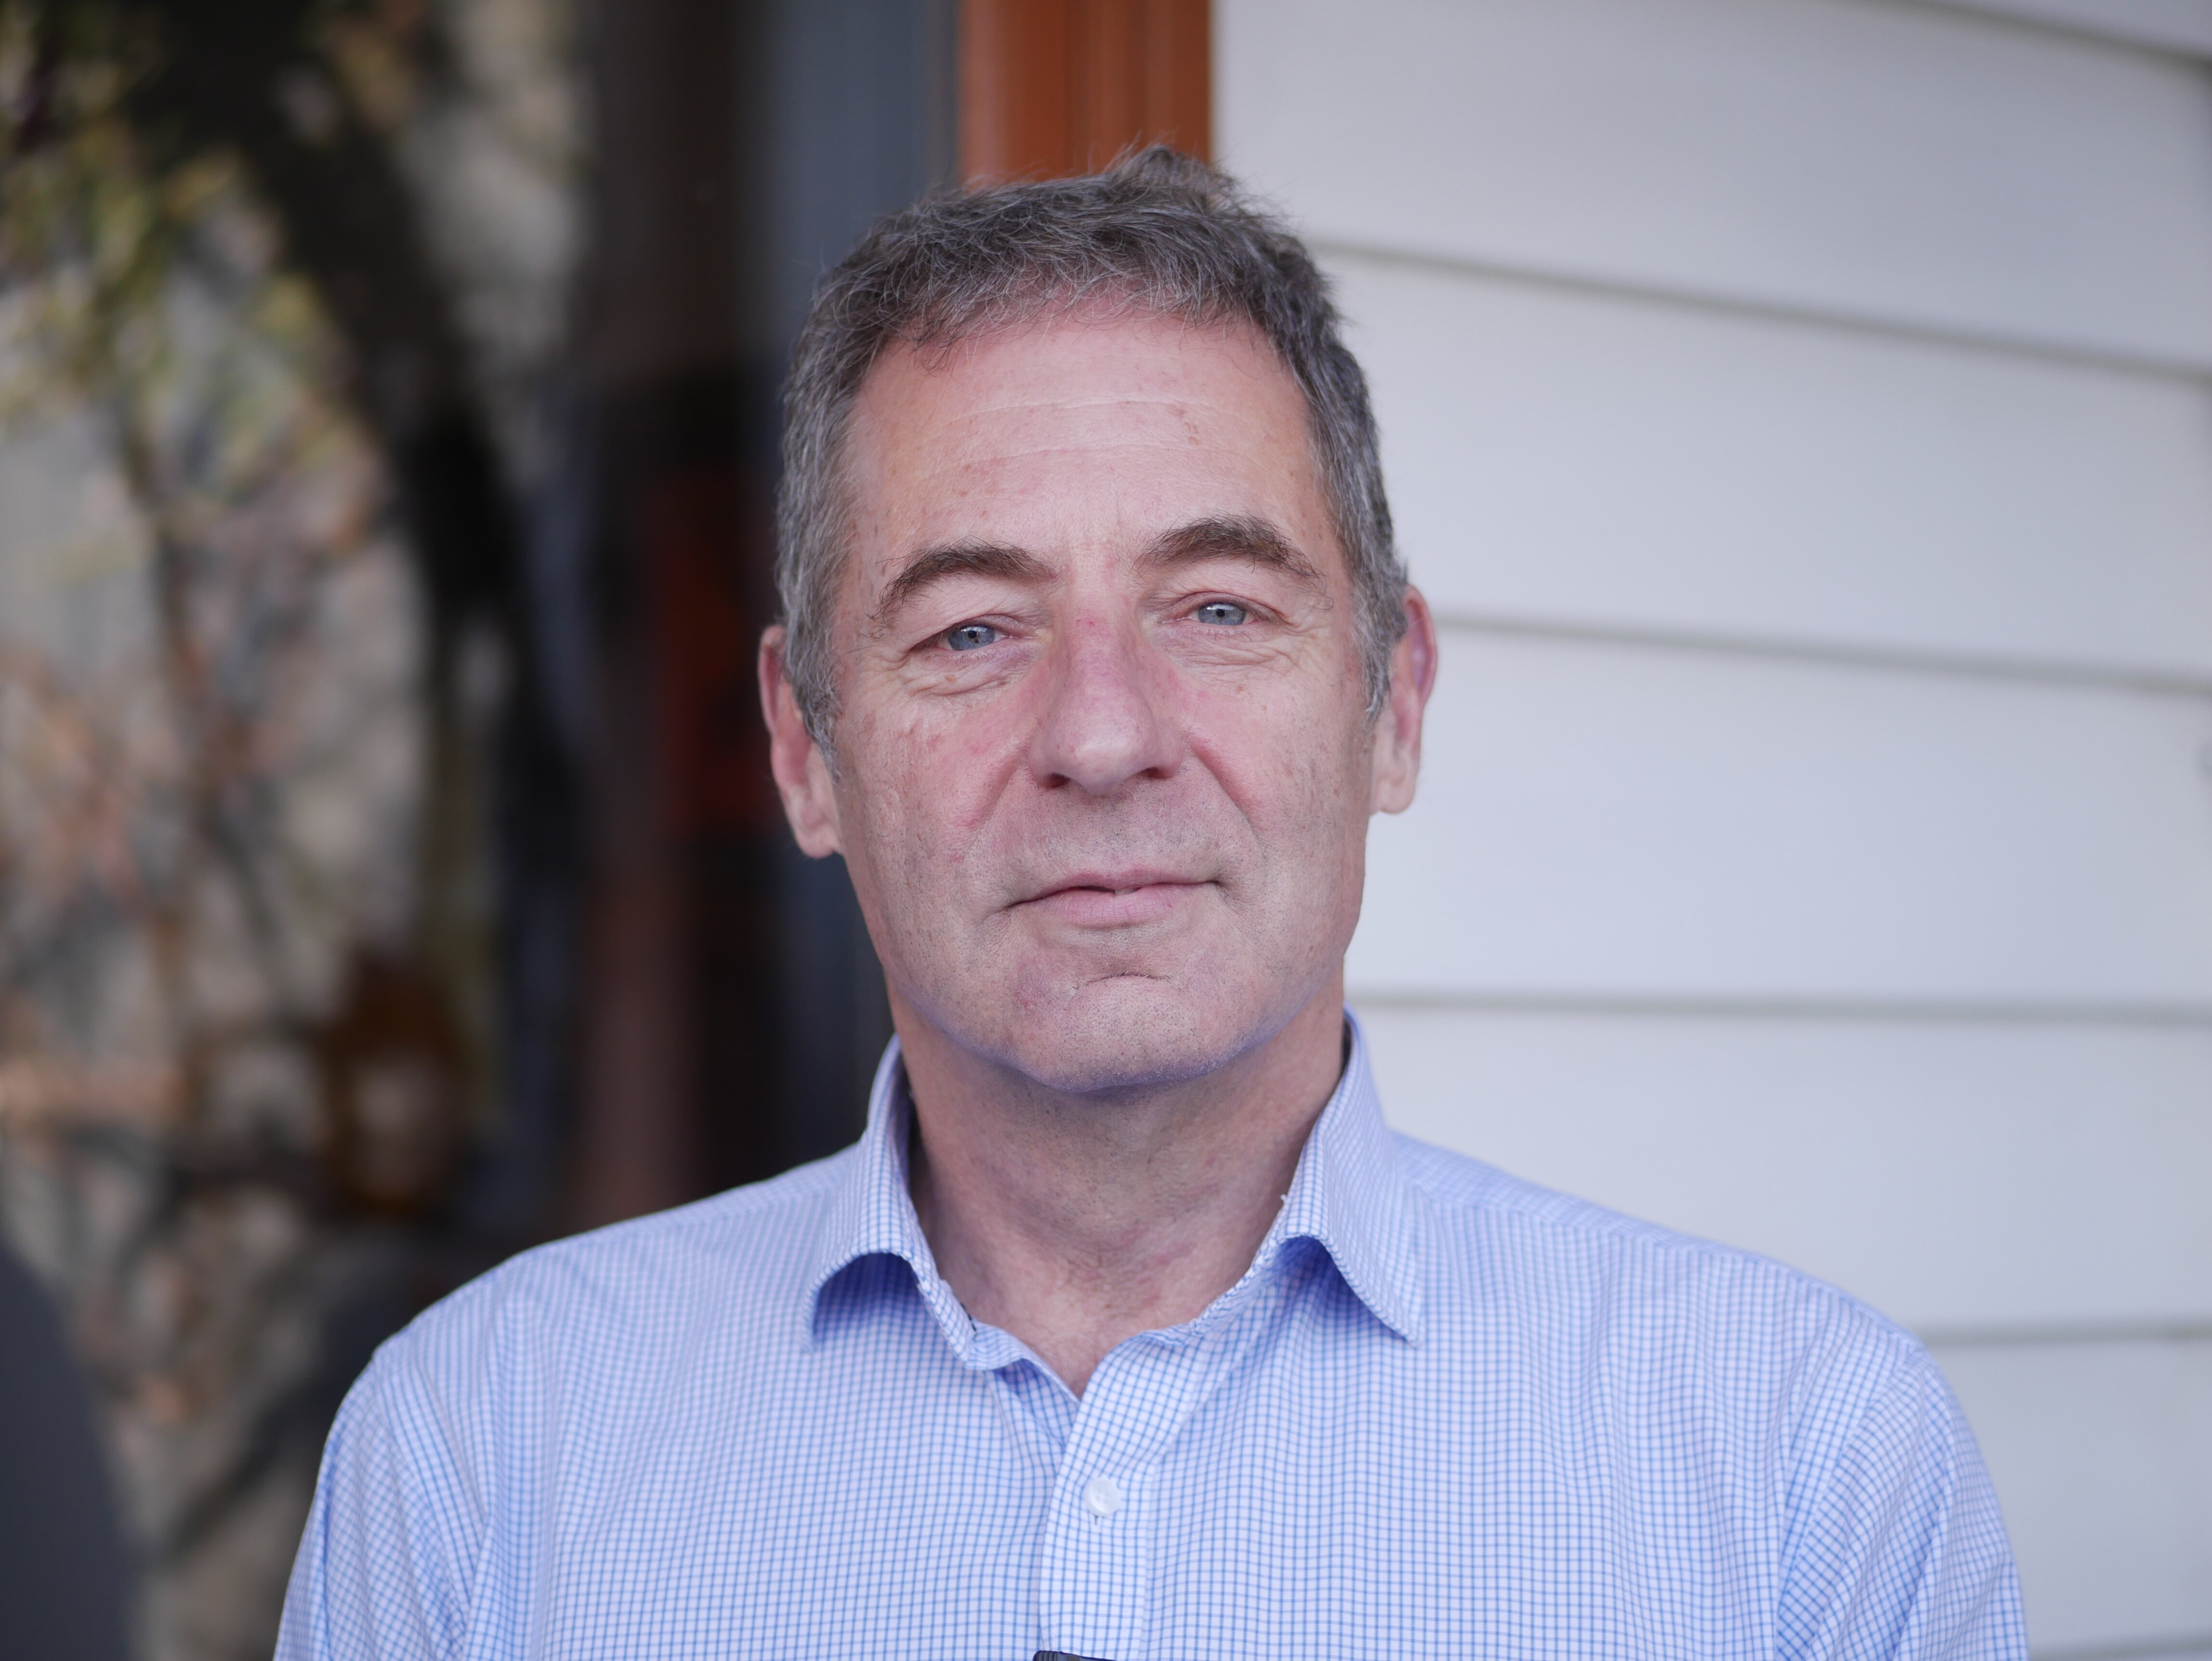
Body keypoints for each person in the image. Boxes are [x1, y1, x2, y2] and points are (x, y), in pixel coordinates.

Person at [276, 149, 2025, 1660]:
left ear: (1394, 705)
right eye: (973, 630)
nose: (1103, 738)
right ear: (806, 752)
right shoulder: (476, 1467)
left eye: (1219, 609)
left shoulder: (1802, 1476)